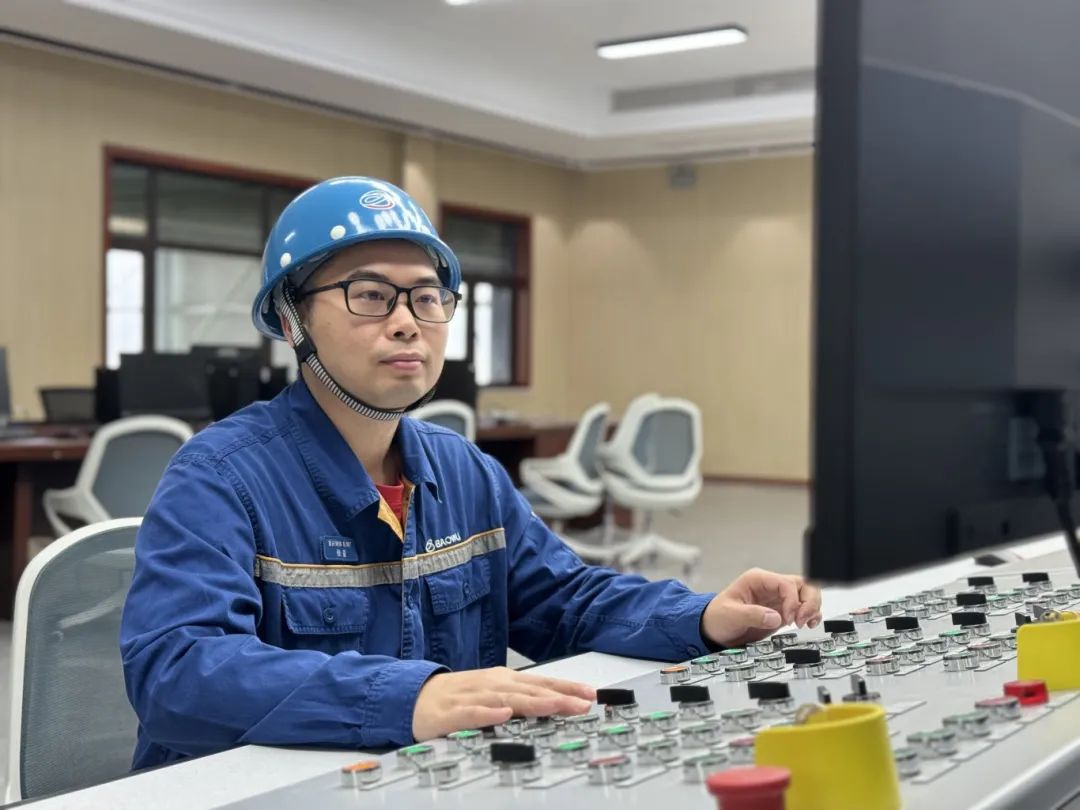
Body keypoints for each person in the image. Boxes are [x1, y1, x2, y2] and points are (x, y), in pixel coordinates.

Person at [120, 177, 821, 770]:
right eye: (370, 294)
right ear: (290, 317)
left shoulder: (462, 470)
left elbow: (564, 601)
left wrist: (700, 616)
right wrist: (409, 697)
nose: (407, 323)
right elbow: (177, 670)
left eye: (427, 298)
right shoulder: (219, 478)